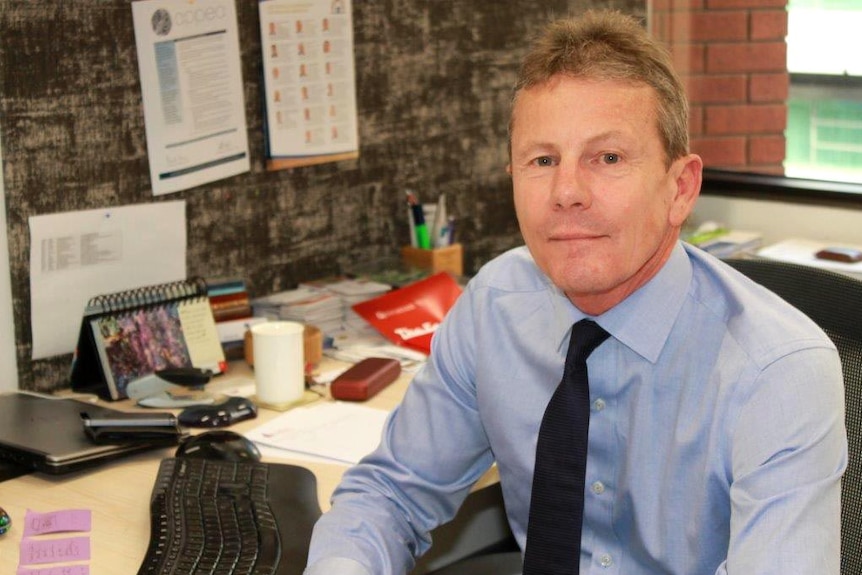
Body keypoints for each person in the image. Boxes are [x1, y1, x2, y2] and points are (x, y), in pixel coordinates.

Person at [304, 9, 847, 575]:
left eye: (607, 158)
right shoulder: (495, 304)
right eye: (542, 160)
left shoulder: (778, 372)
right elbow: (390, 494)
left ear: (679, 189)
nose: (566, 193)